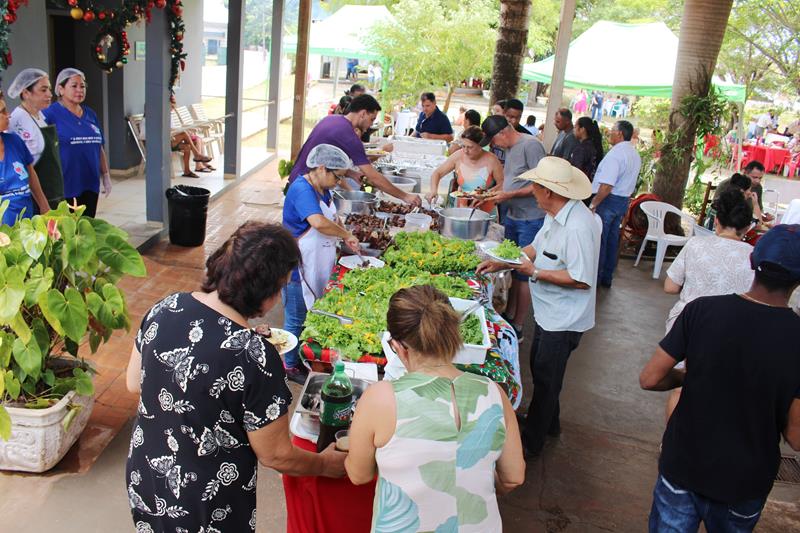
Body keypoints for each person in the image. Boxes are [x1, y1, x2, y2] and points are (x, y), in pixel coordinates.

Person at [125, 221, 347, 533]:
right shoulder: (255, 356)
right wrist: (325, 464)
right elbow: (276, 454)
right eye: (281, 286)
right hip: (205, 500)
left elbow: (135, 383)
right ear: (265, 291)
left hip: (147, 474)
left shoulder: (166, 307)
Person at [639, 224, 800, 532]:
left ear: (753, 261)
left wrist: (687, 377)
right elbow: (796, 435)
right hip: (745, 480)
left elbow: (649, 378)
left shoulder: (702, 310)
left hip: (684, 464)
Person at [345, 285, 525, 531]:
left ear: (398, 348)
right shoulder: (494, 392)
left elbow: (359, 474)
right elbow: (514, 476)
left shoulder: (381, 398)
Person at [478, 156, 601, 457]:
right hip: (549, 311)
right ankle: (549, 423)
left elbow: (581, 279)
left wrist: (535, 273)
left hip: (566, 317)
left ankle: (533, 442)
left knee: (546, 376)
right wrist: (503, 262)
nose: (532, 190)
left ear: (549, 191)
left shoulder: (578, 227)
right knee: (542, 368)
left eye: (535, 185)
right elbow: (535, 247)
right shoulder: (555, 213)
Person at [282, 144, 360, 383]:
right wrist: (345, 235)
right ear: (322, 168)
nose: (339, 182)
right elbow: (317, 222)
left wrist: (346, 234)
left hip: (318, 261)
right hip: (298, 267)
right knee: (295, 318)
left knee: (308, 314)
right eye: (337, 177)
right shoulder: (301, 189)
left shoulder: (323, 189)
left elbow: (331, 218)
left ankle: (301, 357)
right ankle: (289, 365)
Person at [479, 115, 547, 340]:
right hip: (513, 215)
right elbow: (512, 180)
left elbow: (542, 183)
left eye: (494, 141)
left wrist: (509, 194)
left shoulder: (531, 145)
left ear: (503, 133)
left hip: (531, 218)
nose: (494, 146)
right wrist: (492, 193)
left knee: (523, 271)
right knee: (511, 266)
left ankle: (518, 324)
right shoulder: (510, 148)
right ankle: (509, 314)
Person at [289, 94, 421, 207]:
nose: (371, 124)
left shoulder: (330, 119)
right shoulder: (350, 136)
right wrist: (405, 196)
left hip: (298, 180)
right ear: (363, 113)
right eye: (372, 119)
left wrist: (351, 173)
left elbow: (325, 158)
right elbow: (374, 178)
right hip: (308, 187)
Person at [664, 189, 754, 333]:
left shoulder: (695, 244)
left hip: (687, 325)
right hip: (731, 331)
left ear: (716, 221)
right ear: (748, 227)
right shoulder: (754, 255)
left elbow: (670, 287)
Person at [43, 68, 110, 218]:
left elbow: (98, 146)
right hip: (65, 185)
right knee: (68, 232)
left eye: (82, 86)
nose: (79, 90)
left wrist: (105, 175)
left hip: (90, 183)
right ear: (60, 89)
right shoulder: (50, 114)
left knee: (86, 226)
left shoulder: (90, 114)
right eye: (74, 86)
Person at [588, 120, 641, 288]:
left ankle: (595, 278)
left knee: (600, 239)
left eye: (612, 130)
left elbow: (607, 185)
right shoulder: (633, 153)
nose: (609, 133)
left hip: (608, 199)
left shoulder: (616, 155)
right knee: (611, 239)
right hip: (622, 200)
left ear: (619, 134)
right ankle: (606, 277)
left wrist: (594, 204)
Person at [7, 68, 65, 210]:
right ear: (26, 93)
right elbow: (24, 165)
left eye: (49, 90)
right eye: (43, 90)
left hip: (53, 190)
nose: (49, 95)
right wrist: (42, 203)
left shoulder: (41, 116)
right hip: (35, 198)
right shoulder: (18, 119)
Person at [0, 92, 50, 224]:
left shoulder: (15, 141)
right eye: (3, 111)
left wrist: (44, 206)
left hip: (27, 225)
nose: (8, 115)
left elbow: (30, 172)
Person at [428, 126, 504, 212]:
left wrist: (487, 194)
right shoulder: (458, 156)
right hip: (462, 208)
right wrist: (434, 191)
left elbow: (503, 184)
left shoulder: (492, 160)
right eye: (463, 146)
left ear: (480, 146)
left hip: (486, 209)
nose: (465, 151)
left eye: (470, 147)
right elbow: (437, 173)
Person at [570, 116, 604, 182]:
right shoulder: (595, 146)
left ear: (582, 129)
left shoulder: (581, 149)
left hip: (580, 185)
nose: (573, 130)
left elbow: (576, 171)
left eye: (575, 127)